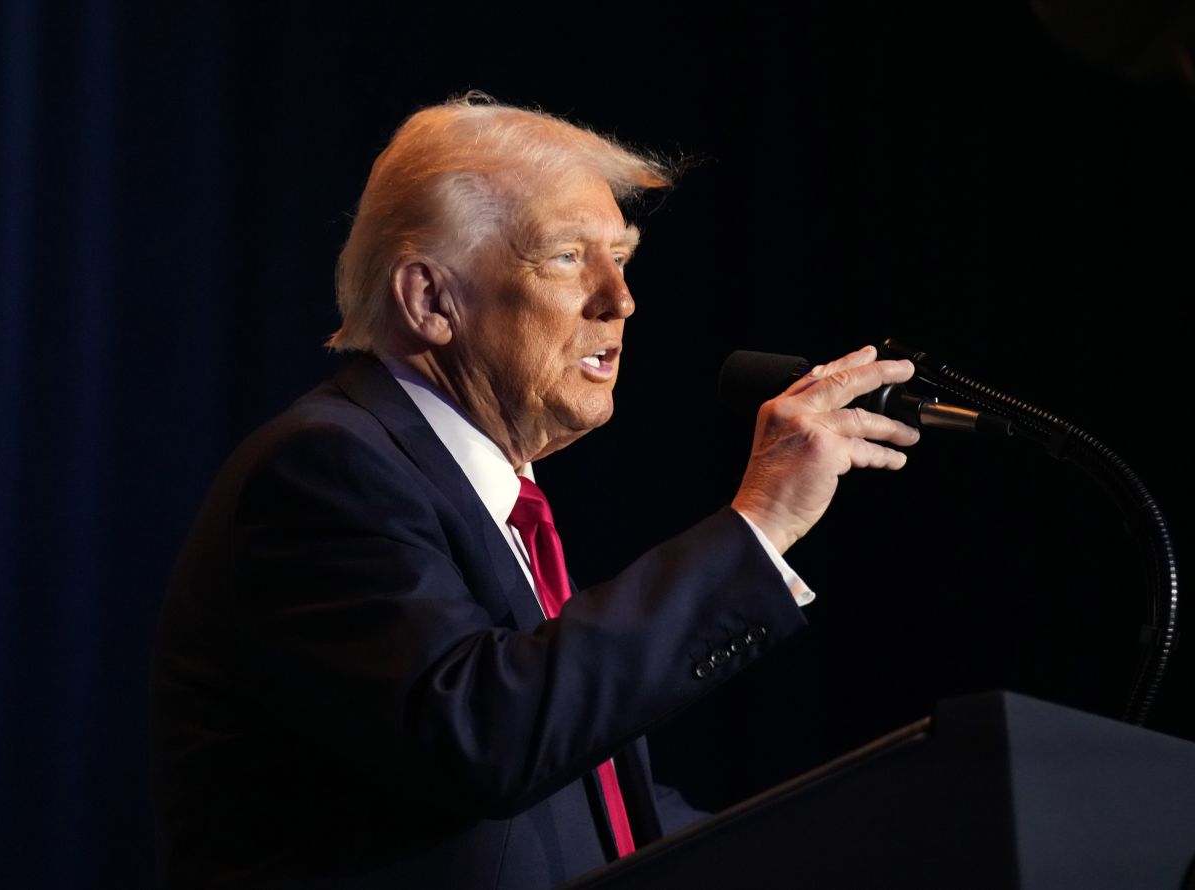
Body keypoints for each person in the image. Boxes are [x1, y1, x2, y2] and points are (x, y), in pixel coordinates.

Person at [149, 93, 919, 889]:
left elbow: (602, 817)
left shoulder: (495, 505)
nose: (619, 299)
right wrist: (756, 523)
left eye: (621, 256)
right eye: (565, 256)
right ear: (430, 300)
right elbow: (484, 733)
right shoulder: (324, 472)